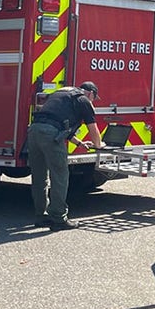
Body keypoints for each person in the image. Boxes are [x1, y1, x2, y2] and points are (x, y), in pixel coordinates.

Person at [27, 81, 103, 230]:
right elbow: (93, 128)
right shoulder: (83, 100)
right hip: (50, 136)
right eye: (94, 98)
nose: (93, 101)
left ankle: (41, 216)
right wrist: (99, 145)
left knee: (39, 176)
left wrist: (79, 143)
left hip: (34, 132)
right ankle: (59, 218)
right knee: (60, 175)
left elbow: (56, 121)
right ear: (91, 93)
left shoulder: (61, 93)